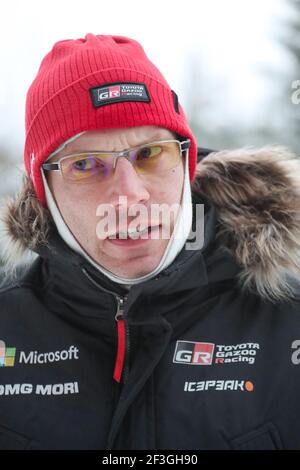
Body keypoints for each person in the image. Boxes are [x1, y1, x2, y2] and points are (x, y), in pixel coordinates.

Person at [0, 33, 300, 451]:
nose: (129, 194)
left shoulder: (287, 321)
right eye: (85, 164)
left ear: (185, 163)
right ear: (44, 191)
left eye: (150, 154)